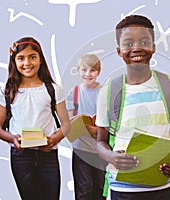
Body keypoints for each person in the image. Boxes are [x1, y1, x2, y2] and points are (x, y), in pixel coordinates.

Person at [95, 15, 170, 200]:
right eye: (128, 43)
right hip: (124, 189)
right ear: (118, 50)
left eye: (144, 41)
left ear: (153, 47)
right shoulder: (108, 92)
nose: (137, 48)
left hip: (161, 187)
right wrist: (111, 157)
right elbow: (101, 142)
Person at [0, 37, 71, 200]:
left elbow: (66, 124)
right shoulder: (7, 91)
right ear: (14, 61)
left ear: (40, 59)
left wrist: (53, 140)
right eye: (21, 58)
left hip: (48, 155)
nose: (27, 63)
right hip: (21, 157)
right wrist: (14, 139)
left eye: (32, 57)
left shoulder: (52, 89)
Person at [66, 54, 107, 200]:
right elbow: (69, 121)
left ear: (98, 72)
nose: (88, 74)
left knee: (101, 189)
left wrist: (100, 130)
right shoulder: (74, 93)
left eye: (92, 70)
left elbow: (111, 121)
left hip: (101, 150)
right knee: (83, 189)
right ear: (78, 71)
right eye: (84, 70)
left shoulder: (104, 92)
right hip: (81, 149)